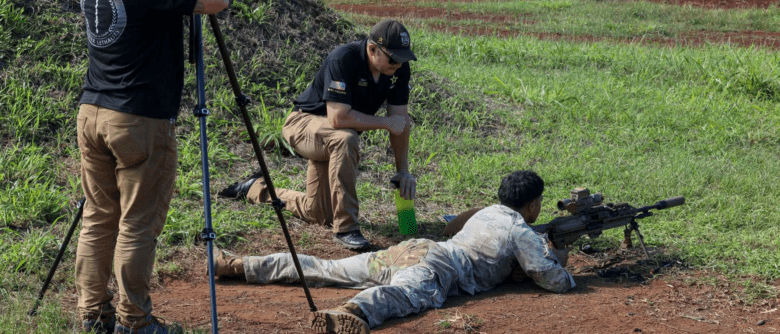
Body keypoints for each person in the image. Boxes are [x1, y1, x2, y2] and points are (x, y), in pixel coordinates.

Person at [76, 0, 234, 334]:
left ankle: (94, 316)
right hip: (139, 121)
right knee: (137, 226)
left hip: (92, 113)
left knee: (98, 219)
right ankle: (135, 322)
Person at [212, 170, 576, 334]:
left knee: (328, 268)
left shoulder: (487, 212)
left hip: (414, 248)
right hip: (437, 266)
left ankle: (240, 264)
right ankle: (353, 311)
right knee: (404, 295)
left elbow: (452, 229)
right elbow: (552, 280)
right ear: (531, 206)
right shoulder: (520, 229)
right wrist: (563, 256)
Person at [219, 19, 418, 251]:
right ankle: (347, 228)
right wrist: (385, 123)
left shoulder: (397, 69)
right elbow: (338, 118)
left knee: (318, 213)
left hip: (331, 136)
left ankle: (255, 188)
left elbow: (400, 122)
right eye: (393, 57)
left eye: (403, 57)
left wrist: (402, 170)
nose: (399, 63)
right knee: (346, 138)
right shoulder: (343, 59)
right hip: (303, 125)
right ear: (373, 49)